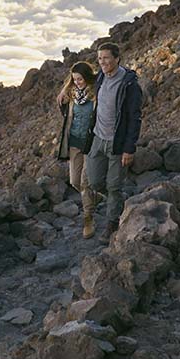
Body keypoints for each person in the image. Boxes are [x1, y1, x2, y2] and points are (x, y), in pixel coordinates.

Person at [85, 42, 142, 242]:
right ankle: (118, 203)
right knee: (94, 181)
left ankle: (111, 224)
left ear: (117, 58)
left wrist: (129, 148)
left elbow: (135, 118)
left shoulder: (129, 85)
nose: (102, 62)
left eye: (106, 58)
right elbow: (80, 82)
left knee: (114, 186)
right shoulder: (100, 77)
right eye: (100, 58)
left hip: (117, 144)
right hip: (98, 138)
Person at [56, 61, 101, 239]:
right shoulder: (70, 95)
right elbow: (66, 116)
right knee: (75, 181)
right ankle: (95, 197)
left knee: (84, 182)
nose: (78, 82)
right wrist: (63, 92)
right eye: (74, 80)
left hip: (91, 144)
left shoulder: (97, 93)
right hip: (74, 143)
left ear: (87, 77)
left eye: (80, 79)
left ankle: (88, 219)